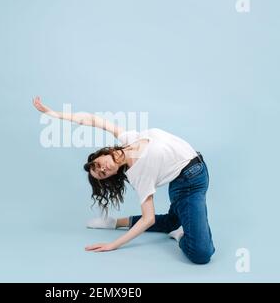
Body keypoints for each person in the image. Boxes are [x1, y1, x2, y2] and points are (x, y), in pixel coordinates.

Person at [32, 96, 215, 264]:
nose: (102, 169)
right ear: (112, 176)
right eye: (102, 174)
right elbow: (148, 218)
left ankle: (164, 226)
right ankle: (178, 235)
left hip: (195, 168)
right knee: (201, 254)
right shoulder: (137, 174)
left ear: (104, 154)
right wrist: (113, 245)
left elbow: (91, 120)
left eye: (98, 165)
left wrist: (54, 114)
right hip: (188, 185)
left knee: (171, 221)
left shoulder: (128, 139)